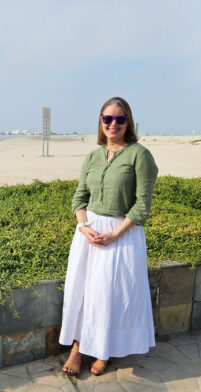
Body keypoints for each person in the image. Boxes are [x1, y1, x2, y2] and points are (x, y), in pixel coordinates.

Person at [59, 96, 158, 376]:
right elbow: (79, 197)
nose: (113, 124)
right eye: (107, 118)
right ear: (100, 122)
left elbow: (142, 205)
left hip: (121, 234)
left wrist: (115, 234)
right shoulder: (92, 156)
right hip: (88, 234)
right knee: (83, 292)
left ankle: (104, 350)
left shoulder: (140, 155)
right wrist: (83, 226)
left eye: (120, 119)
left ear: (128, 122)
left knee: (109, 296)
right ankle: (77, 348)